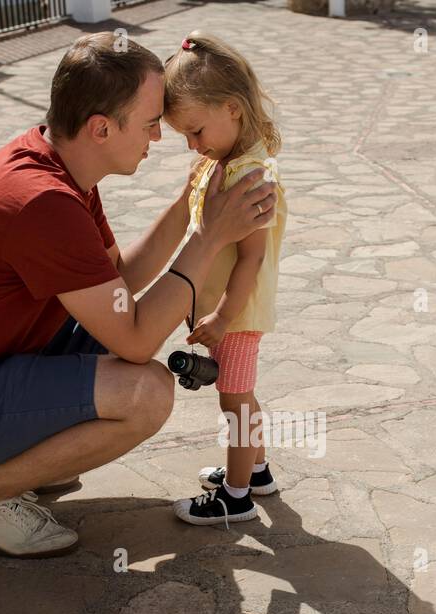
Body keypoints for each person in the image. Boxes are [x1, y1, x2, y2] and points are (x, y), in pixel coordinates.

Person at [0, 32, 277, 558]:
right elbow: (135, 340)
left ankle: (22, 464)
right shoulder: (42, 202)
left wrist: (190, 204)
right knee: (147, 392)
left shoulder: (59, 168)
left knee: (119, 349)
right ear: (101, 128)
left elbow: (120, 283)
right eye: (152, 122)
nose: (160, 137)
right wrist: (208, 239)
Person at [162, 31, 288, 527]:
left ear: (232, 109)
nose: (193, 145)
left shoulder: (248, 176)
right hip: (229, 312)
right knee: (243, 392)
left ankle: (235, 499)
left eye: (196, 131)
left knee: (233, 402)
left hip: (236, 313)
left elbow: (251, 258)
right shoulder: (226, 162)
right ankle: (257, 471)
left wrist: (220, 315)